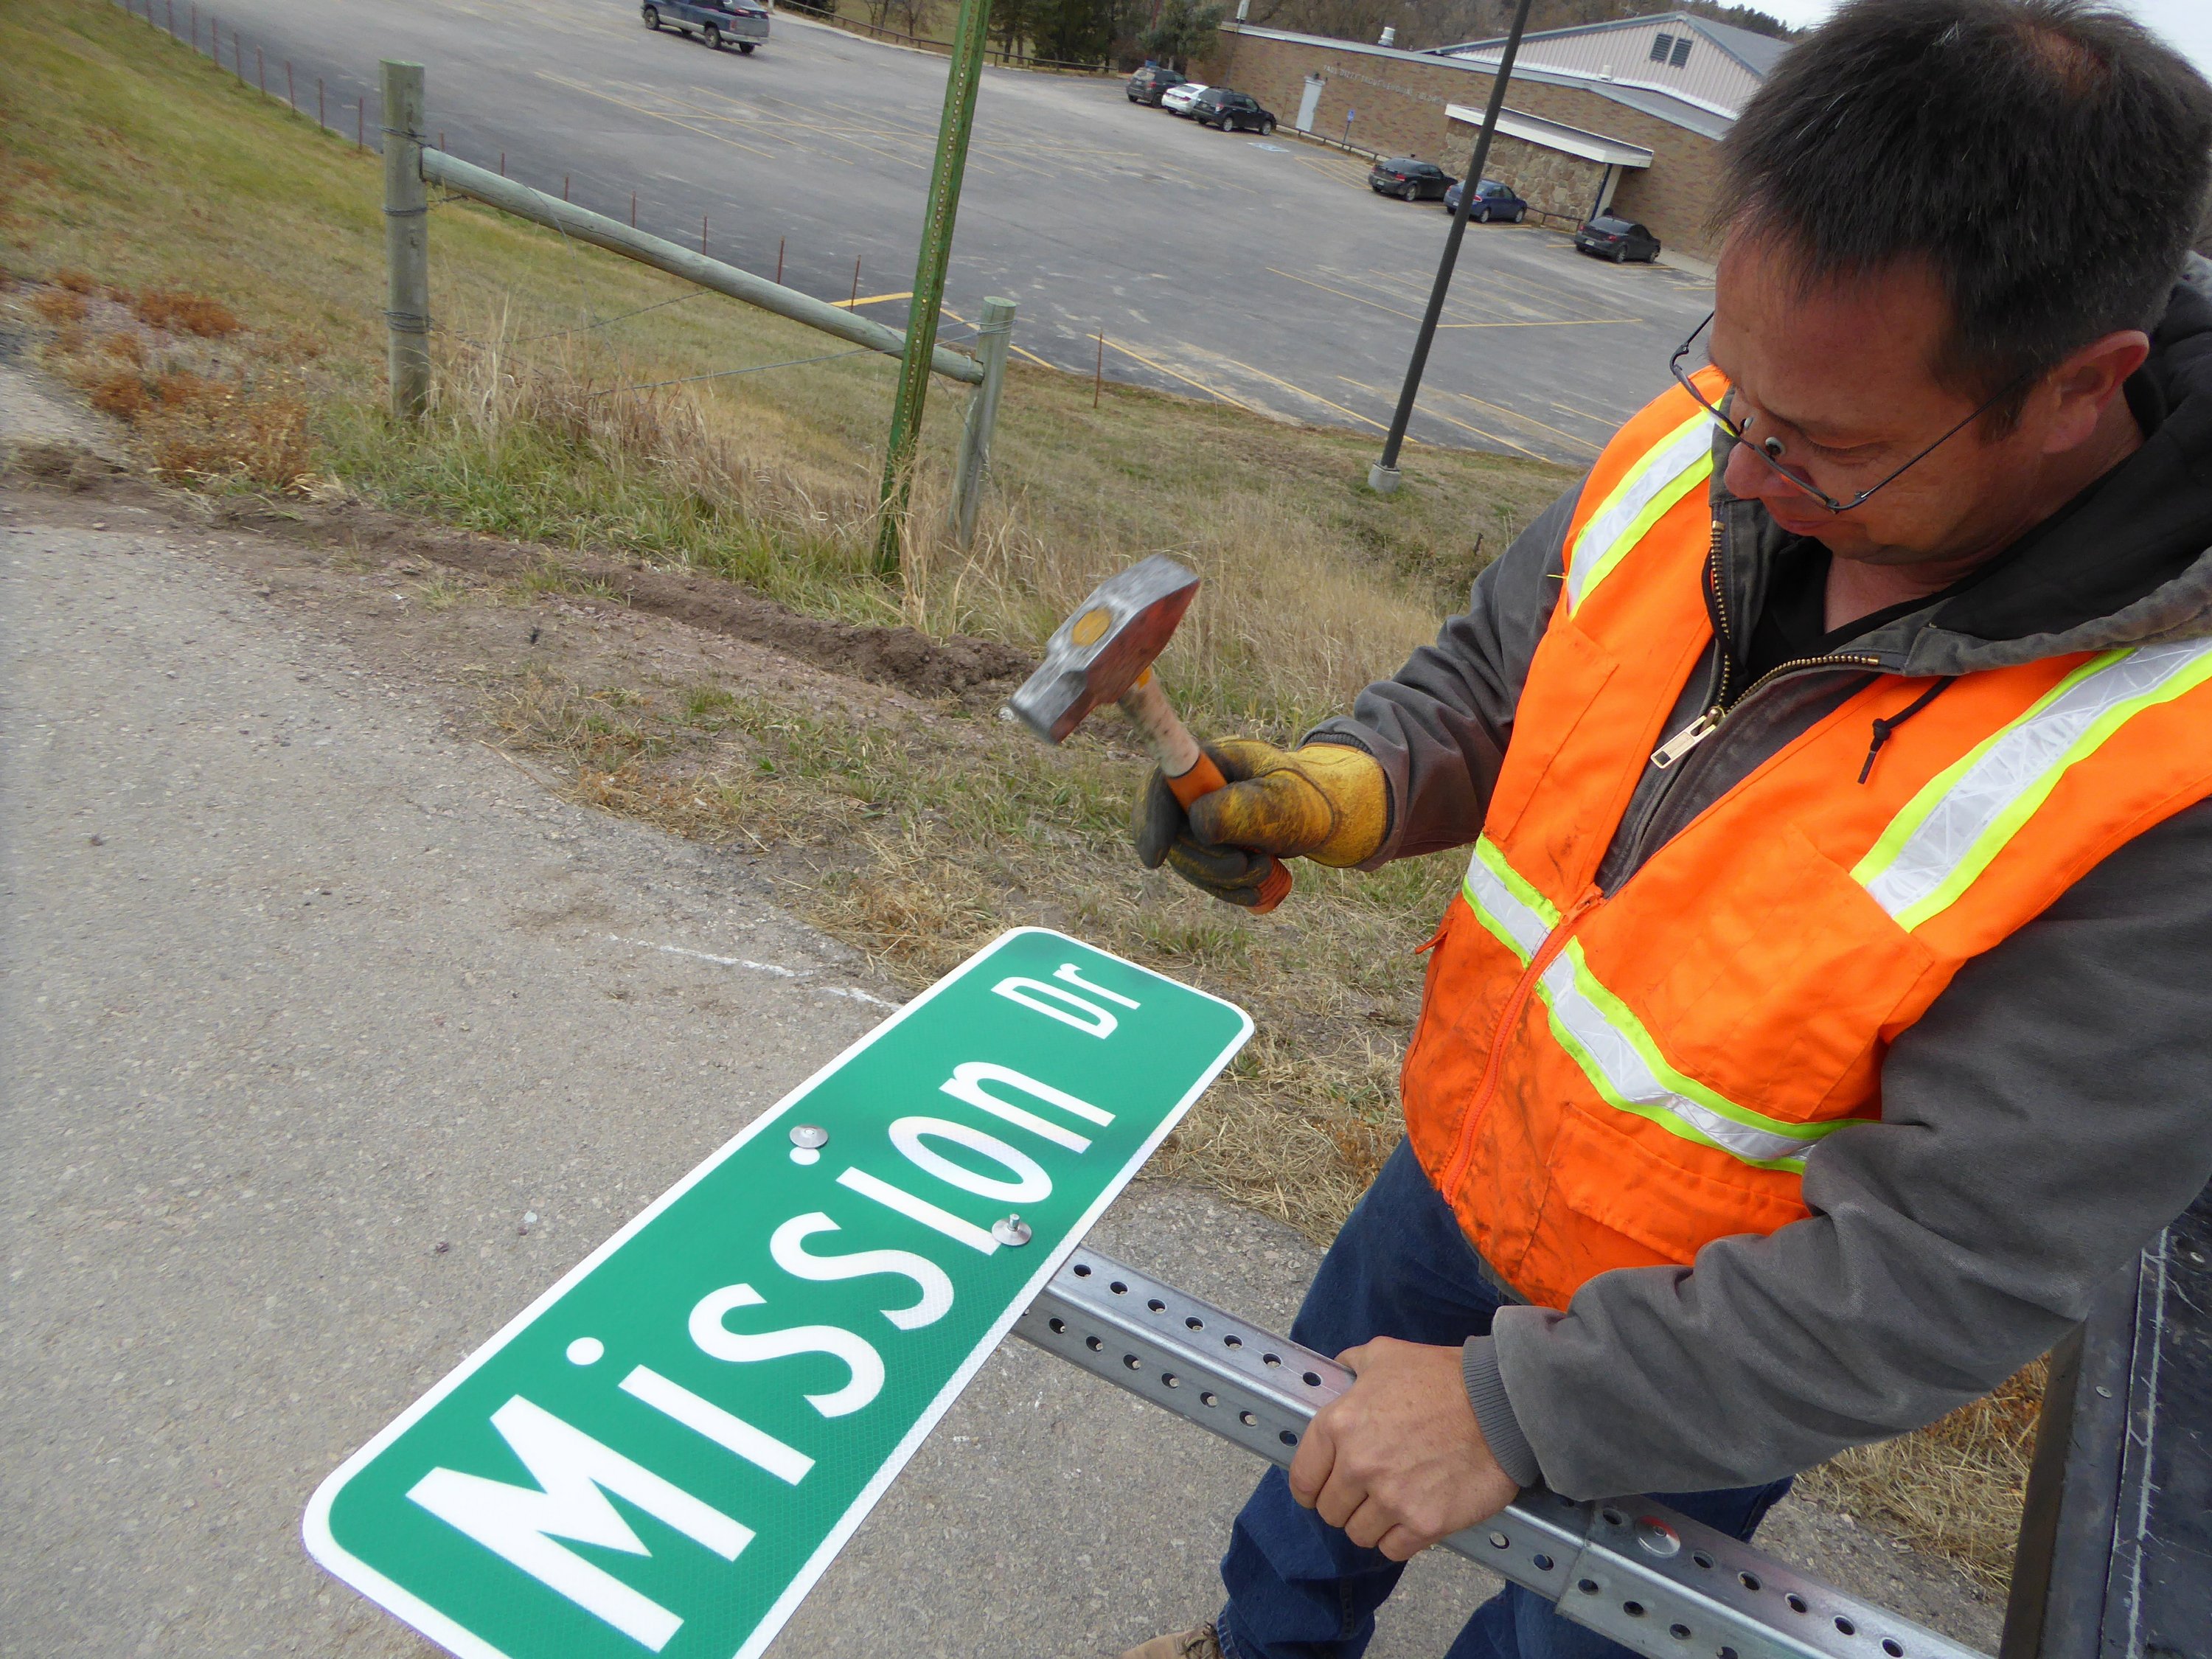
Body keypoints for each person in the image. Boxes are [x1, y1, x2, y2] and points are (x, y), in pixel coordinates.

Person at [1115, 3, 2212, 1656]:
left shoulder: (2169, 763)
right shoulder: (1736, 441)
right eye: (1729, 386)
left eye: (1828, 447)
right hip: (1469, 1160)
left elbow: (1949, 1266)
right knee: (1318, 1471)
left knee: (1572, 1635)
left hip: (1712, 1342)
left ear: (2078, 391)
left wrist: (1519, 1408)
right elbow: (1506, 674)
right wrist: (1357, 783)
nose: (1747, 469)